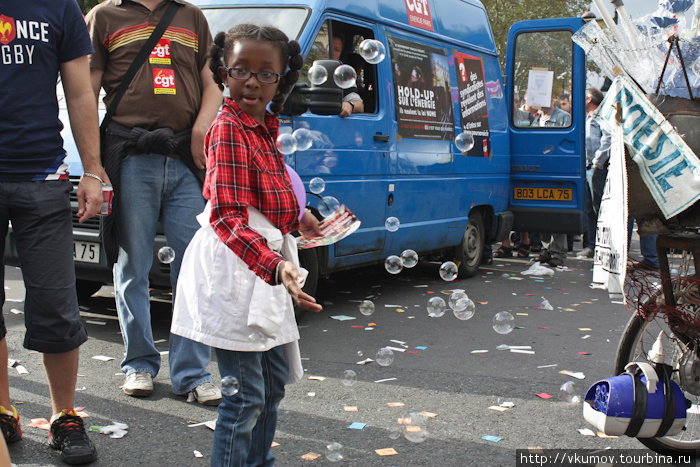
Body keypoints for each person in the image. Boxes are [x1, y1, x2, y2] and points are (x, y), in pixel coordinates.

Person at [170, 23, 323, 466]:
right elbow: (226, 215)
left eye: (266, 72)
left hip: (265, 268)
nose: (252, 80)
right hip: (237, 270)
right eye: (241, 69)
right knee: (247, 395)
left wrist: (301, 216)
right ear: (223, 72)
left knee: (272, 386)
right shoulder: (228, 129)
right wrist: (275, 265)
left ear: (283, 78)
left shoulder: (262, 127)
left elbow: (271, 193)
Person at [86, 0, 223, 404]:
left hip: (184, 157)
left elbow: (213, 82)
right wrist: (93, 164)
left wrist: (201, 128)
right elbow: (85, 91)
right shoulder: (104, 16)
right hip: (129, 156)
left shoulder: (192, 15)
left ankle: (192, 373)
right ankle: (139, 365)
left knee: (193, 270)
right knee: (134, 265)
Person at [0, 1, 106, 463]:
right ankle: (4, 410)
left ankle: (64, 417)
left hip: (43, 175)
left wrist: (94, 172)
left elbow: (81, 93)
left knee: (58, 307)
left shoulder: (58, 6)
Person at [578, 88, 610, 259]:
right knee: (589, 209)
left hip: (598, 168)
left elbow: (607, 139)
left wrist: (598, 163)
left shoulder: (602, 116)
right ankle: (591, 244)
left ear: (589, 99)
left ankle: (602, 246)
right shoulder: (587, 118)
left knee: (599, 208)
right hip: (587, 167)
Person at [331, 34, 364, 117]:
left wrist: (349, 105)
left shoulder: (342, 76)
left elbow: (359, 105)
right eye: (329, 46)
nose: (332, 52)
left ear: (340, 54)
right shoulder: (302, 66)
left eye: (337, 50)